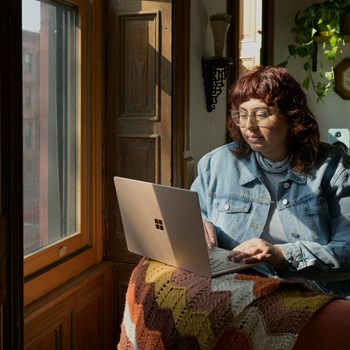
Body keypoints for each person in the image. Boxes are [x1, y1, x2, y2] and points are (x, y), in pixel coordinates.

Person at [190, 65, 350, 299]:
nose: (248, 126)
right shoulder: (215, 164)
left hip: (315, 295)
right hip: (238, 288)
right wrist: (198, 224)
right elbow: (195, 213)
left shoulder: (333, 167)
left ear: (292, 116)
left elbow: (347, 250)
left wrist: (281, 255)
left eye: (261, 114)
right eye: (241, 114)